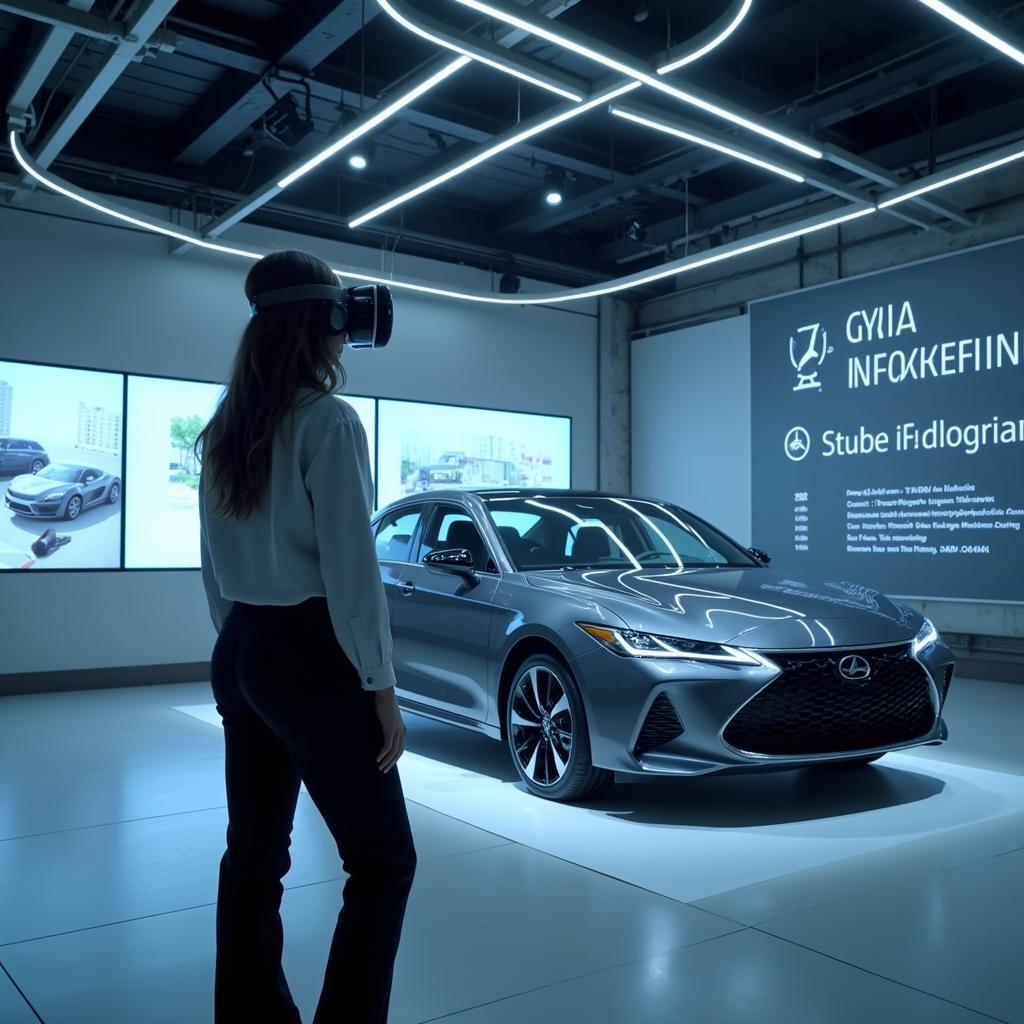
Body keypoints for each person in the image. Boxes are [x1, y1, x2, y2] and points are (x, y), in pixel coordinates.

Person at [196, 249, 416, 1024]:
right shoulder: (329, 421)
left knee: (254, 855)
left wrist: (246, 656)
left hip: (244, 648)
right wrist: (380, 690)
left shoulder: (226, 428)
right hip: (310, 655)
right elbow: (354, 573)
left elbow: (214, 572)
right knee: (385, 862)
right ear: (324, 321)